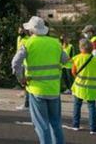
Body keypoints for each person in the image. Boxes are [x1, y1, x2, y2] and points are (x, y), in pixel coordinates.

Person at [12, 16, 68, 144]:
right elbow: (65, 60)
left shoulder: (27, 43)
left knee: (42, 125)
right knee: (56, 123)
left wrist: (21, 79)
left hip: (36, 89)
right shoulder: (55, 43)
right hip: (54, 89)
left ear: (31, 30)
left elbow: (15, 63)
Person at [69, 39, 96, 135]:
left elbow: (73, 72)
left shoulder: (77, 58)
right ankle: (93, 128)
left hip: (79, 86)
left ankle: (75, 125)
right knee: (92, 107)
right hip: (92, 88)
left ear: (81, 48)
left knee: (77, 105)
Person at [15, 27, 30, 111]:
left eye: (22, 30)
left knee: (26, 82)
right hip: (20, 61)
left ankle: (27, 103)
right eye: (19, 30)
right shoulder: (19, 38)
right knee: (24, 81)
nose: (20, 31)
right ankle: (25, 95)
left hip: (25, 63)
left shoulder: (28, 39)